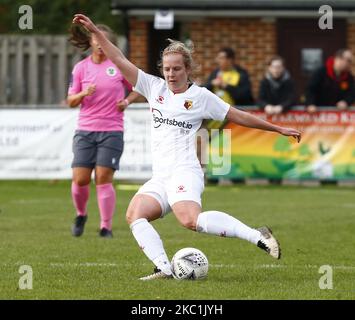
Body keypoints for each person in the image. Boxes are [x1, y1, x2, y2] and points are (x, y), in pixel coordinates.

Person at [73, 14, 301, 279]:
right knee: (135, 214)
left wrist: (277, 128)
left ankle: (257, 235)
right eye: (167, 69)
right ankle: (164, 268)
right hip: (161, 176)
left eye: (177, 69)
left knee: (190, 220)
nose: (171, 74)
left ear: (187, 69)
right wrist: (95, 31)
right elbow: (118, 58)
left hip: (185, 171)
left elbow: (237, 115)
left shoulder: (201, 97)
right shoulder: (152, 86)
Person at [67, 23, 140, 238]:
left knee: (103, 177)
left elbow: (139, 89)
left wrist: (126, 101)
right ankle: (81, 214)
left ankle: (105, 227)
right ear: (90, 42)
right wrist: (83, 94)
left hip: (112, 130)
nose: (100, 45)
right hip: (85, 130)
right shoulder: (80, 68)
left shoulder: (119, 66)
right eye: (96, 40)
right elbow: (70, 100)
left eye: (104, 41)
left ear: (110, 44)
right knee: (80, 179)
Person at [305, 49, 355, 113]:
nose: (349, 64)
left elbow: (352, 93)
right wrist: (310, 104)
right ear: (338, 58)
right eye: (348, 60)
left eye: (350, 61)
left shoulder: (349, 77)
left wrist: (346, 102)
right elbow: (310, 89)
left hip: (337, 114)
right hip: (317, 112)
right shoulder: (321, 72)